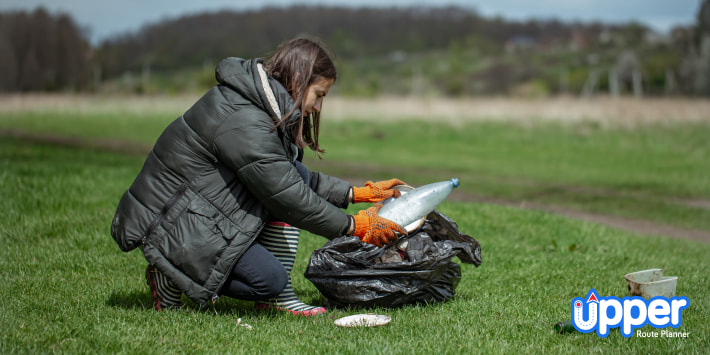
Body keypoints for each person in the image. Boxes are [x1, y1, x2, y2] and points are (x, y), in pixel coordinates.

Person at [110, 36, 408, 316]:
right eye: (319, 95)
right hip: (172, 225)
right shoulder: (247, 120)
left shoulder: (260, 104)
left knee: (292, 182)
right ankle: (168, 272)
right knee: (267, 282)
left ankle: (268, 295)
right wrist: (354, 226)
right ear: (297, 81)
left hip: (196, 213)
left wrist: (357, 193)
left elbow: (289, 176)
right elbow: (288, 195)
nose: (317, 107)